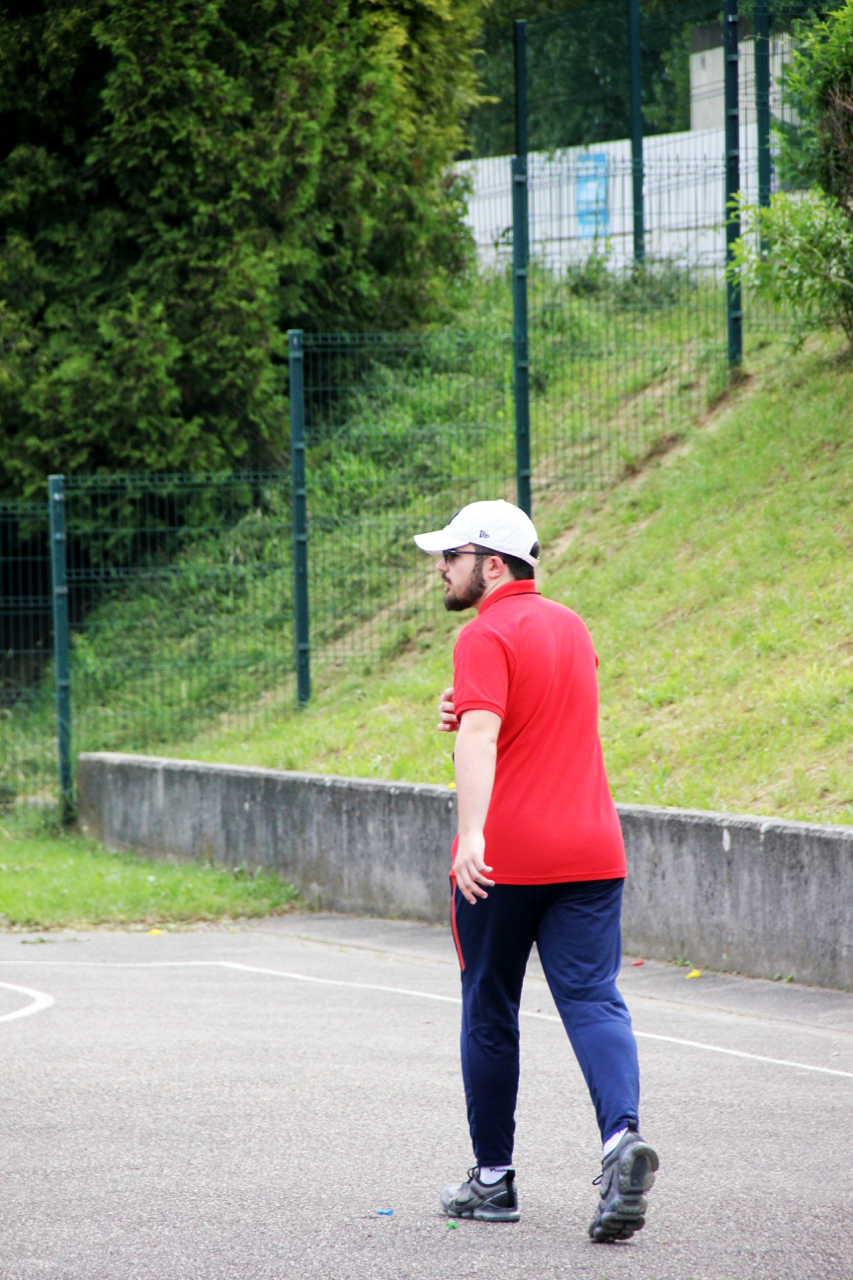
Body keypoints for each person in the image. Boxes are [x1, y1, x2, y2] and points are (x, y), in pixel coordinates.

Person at [413, 498, 659, 1242]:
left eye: (452, 556)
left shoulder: (483, 633)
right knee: (593, 998)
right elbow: (536, 712)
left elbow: (483, 737)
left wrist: (470, 835)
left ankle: (492, 1181)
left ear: (491, 565)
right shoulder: (572, 626)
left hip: (509, 857)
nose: (441, 569)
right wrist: (471, 706)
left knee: (490, 1006)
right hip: (593, 849)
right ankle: (620, 1142)